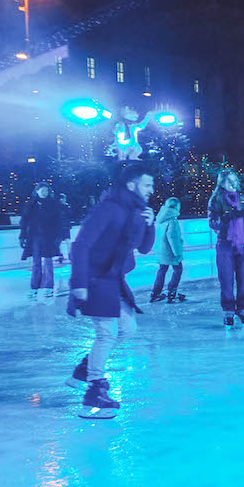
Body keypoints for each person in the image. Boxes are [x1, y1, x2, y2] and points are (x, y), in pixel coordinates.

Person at [64, 164, 157, 419]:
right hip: (95, 280)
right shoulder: (110, 208)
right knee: (106, 335)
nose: (151, 189)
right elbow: (81, 245)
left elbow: (145, 248)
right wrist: (79, 283)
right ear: (131, 185)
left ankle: (86, 367)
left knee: (128, 329)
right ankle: (93, 395)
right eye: (147, 184)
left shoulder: (135, 211)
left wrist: (150, 225)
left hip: (113, 279)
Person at [208, 170, 244, 327]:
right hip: (225, 244)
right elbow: (212, 222)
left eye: (235, 181)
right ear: (222, 183)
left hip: (242, 244)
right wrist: (225, 217)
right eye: (229, 181)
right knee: (226, 279)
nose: (233, 184)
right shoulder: (216, 200)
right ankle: (228, 312)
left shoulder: (243, 200)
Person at [19, 183, 63, 300]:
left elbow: (59, 221)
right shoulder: (31, 204)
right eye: (42, 190)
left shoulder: (53, 204)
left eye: (46, 191)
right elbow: (24, 220)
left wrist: (59, 236)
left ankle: (49, 286)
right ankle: (34, 287)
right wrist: (22, 235)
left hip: (49, 237)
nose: (44, 192)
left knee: (48, 262)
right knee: (36, 262)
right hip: (34, 238)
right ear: (37, 191)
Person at [150, 197, 186, 303]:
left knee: (162, 270)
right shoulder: (172, 220)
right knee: (178, 270)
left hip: (161, 250)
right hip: (170, 251)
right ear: (176, 206)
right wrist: (178, 254)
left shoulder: (161, 217)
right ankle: (171, 292)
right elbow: (173, 238)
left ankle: (155, 293)